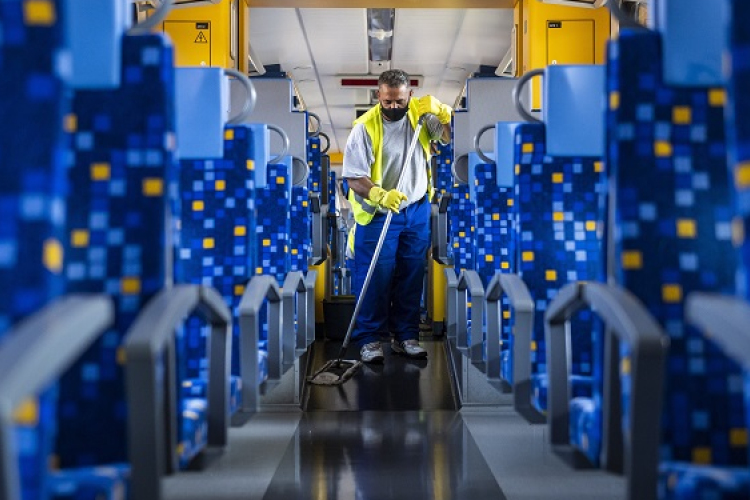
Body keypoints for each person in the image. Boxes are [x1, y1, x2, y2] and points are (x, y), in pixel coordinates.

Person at [342, 69, 452, 363]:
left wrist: (443, 114)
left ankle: (406, 337)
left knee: (411, 274)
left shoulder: (420, 116)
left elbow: (447, 139)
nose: (393, 107)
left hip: (415, 209)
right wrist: (380, 194)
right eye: (388, 101)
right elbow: (354, 178)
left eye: (399, 102)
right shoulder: (364, 129)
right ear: (378, 95)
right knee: (375, 277)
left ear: (409, 96)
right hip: (378, 213)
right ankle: (369, 340)